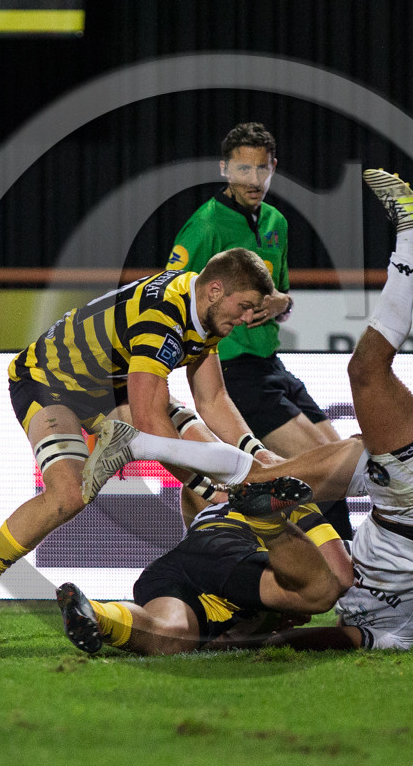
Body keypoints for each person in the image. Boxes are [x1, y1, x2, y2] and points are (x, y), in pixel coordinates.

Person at [81, 169, 413, 652]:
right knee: (354, 389)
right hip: (405, 496)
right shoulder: (381, 626)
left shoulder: (382, 626)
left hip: (226, 544)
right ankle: (411, 238)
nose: (254, 178)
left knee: (178, 624)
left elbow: (313, 615)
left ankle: (102, 606)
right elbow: (321, 598)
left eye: (261, 167)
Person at [0, 248, 281, 639]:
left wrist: (256, 452)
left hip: (111, 385)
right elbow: (150, 424)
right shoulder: (163, 315)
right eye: (245, 307)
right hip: (50, 383)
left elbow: (213, 400)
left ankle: (205, 589)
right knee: (70, 493)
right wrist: (207, 486)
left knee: (208, 454)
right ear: (216, 290)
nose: (247, 318)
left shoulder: (205, 308)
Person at [165, 123, 349, 535]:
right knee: (328, 473)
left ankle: (213, 554)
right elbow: (168, 297)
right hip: (232, 372)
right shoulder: (206, 226)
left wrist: (284, 301)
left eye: (262, 169)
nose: (254, 180)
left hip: (272, 366)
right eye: (244, 170)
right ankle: (344, 576)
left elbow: (278, 297)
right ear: (225, 170)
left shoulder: (275, 222)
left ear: (274, 168)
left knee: (337, 466)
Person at [56, 478, 352, 655]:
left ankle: (95, 613)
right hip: (232, 551)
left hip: (184, 561)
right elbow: (341, 576)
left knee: (172, 635)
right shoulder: (297, 502)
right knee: (321, 593)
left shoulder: (215, 496)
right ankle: (268, 522)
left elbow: (191, 490)